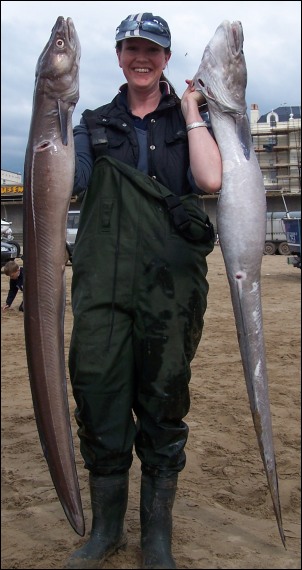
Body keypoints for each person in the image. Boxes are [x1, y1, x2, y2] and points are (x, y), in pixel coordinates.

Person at [66, 13, 222, 570]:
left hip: (171, 289)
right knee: (98, 392)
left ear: (165, 58)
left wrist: (190, 111)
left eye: (153, 50)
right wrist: (52, 127)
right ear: (118, 53)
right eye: (133, 47)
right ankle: (107, 529)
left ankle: (156, 537)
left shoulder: (192, 121)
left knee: (163, 400)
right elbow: (75, 183)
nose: (142, 57)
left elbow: (208, 182)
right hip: (102, 286)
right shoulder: (91, 122)